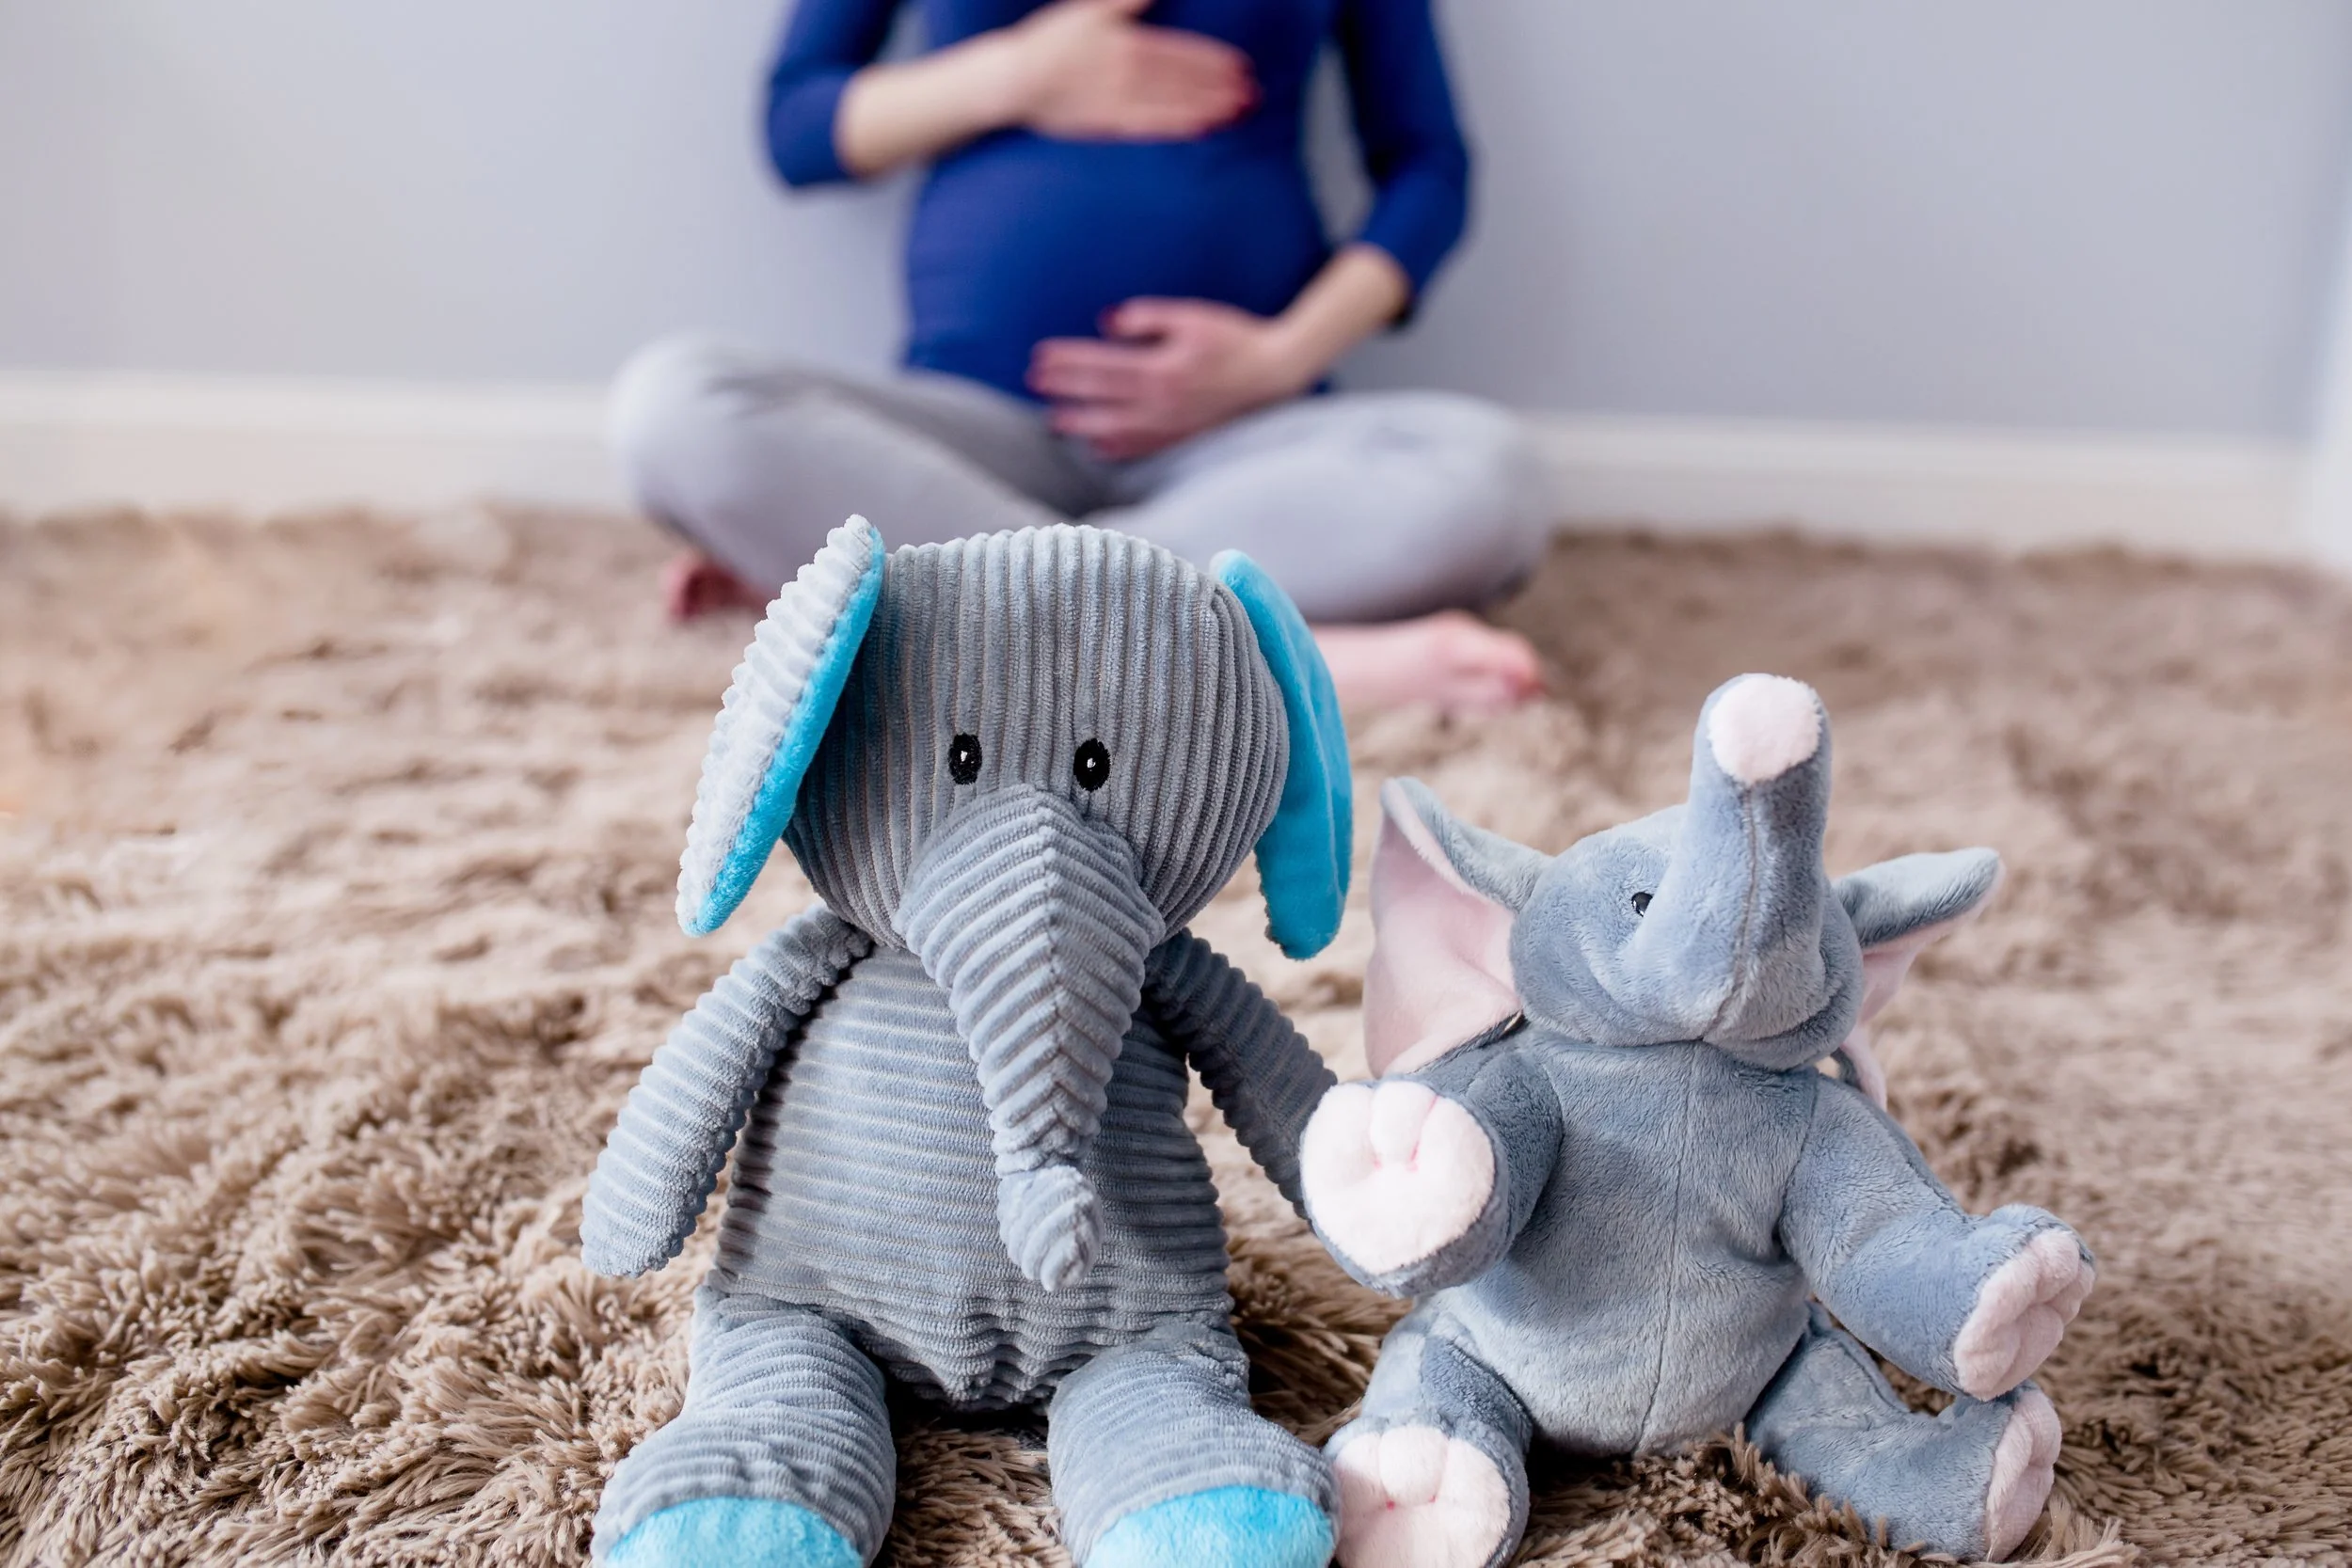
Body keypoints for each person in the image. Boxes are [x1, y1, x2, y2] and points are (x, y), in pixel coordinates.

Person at [611, 0, 1549, 711]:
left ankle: (913, 599)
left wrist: (1280, 357)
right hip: (968, 439)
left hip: (1241, 449)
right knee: (676, 407)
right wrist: (1016, 75)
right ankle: (1258, 659)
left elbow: (1429, 169)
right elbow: (799, 126)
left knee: (1486, 475)